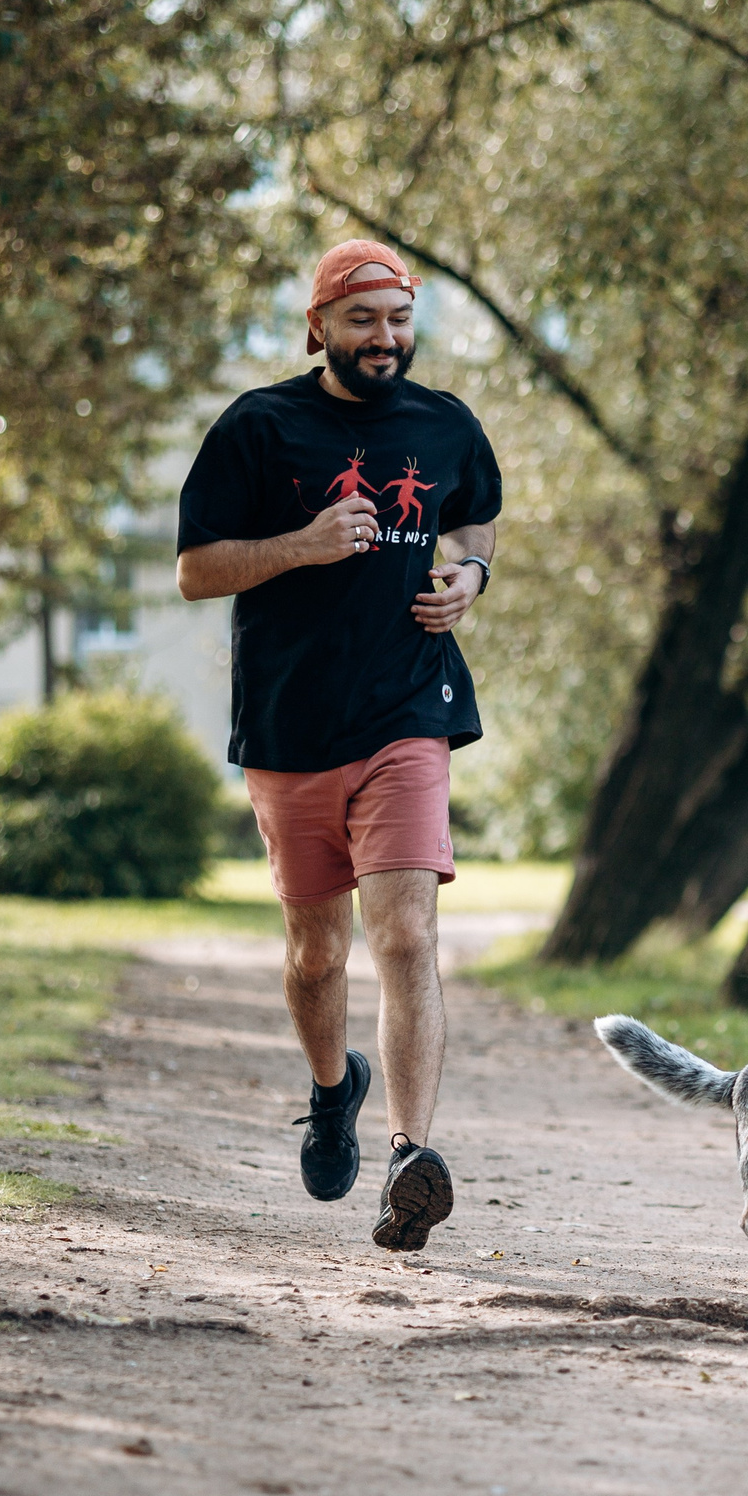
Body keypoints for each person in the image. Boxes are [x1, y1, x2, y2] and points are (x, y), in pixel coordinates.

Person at [175, 239, 502, 1252]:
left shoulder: (445, 426)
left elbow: (476, 522)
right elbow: (195, 570)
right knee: (317, 955)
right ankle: (333, 1090)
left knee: (404, 934)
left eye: (399, 320)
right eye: (362, 321)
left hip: (409, 713)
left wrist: (469, 582)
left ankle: (409, 1155)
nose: (385, 340)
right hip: (289, 730)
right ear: (317, 325)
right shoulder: (258, 426)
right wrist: (301, 546)